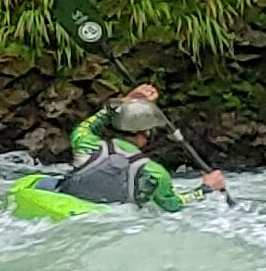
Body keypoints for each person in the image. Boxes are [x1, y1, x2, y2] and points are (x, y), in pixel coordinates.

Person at [49, 90, 226, 210]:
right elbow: (174, 205)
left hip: (68, 201)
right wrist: (206, 188)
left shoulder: (85, 142)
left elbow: (91, 123)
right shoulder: (155, 173)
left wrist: (126, 100)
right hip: (111, 218)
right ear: (146, 133)